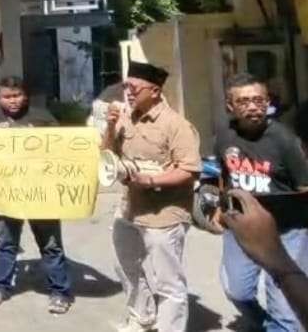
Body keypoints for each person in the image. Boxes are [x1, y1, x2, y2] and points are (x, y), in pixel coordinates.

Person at [102, 61, 201, 332]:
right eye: (125, 86)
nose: (128, 92)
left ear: (155, 90)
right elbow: (107, 155)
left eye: (134, 87)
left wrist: (151, 180)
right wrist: (110, 127)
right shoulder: (125, 117)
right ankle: (141, 318)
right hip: (129, 208)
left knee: (168, 281)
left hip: (164, 213)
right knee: (125, 266)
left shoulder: (176, 125)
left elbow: (190, 171)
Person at [215, 72, 308, 332]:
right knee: (237, 292)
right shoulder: (224, 135)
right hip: (241, 226)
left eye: (259, 100)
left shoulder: (286, 141)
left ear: (268, 102)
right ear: (230, 106)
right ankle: (265, 324)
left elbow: (304, 188)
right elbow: (224, 173)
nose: (253, 106)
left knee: (286, 310)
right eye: (244, 101)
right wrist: (220, 208)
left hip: (286, 230)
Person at [0, 76, 72, 314]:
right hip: (7, 194)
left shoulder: (43, 118)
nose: (12, 101)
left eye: (17, 95)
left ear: (25, 95)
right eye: (6, 96)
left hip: (41, 193)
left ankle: (60, 291)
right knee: (4, 243)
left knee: (51, 245)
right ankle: (0, 287)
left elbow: (63, 150)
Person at [222, 189, 308, 330]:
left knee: (285, 313)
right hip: (242, 223)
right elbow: (215, 170)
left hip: (290, 224)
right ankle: (261, 323)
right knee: (237, 291)